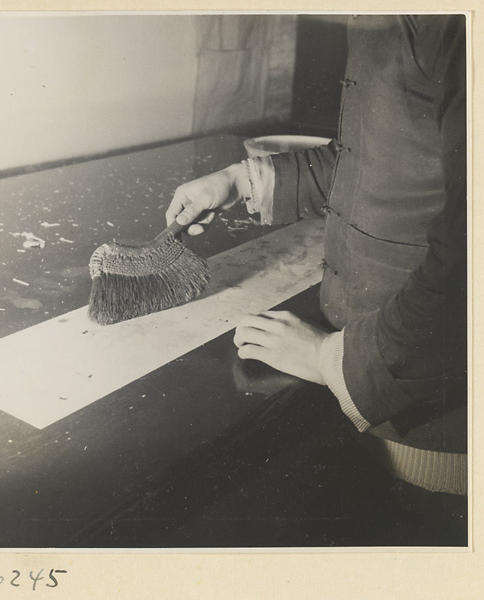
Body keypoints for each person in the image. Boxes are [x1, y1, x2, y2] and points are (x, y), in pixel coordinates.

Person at [166, 14, 467, 495]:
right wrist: (239, 181)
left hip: (436, 427)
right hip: (374, 375)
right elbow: (376, 157)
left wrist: (330, 359)